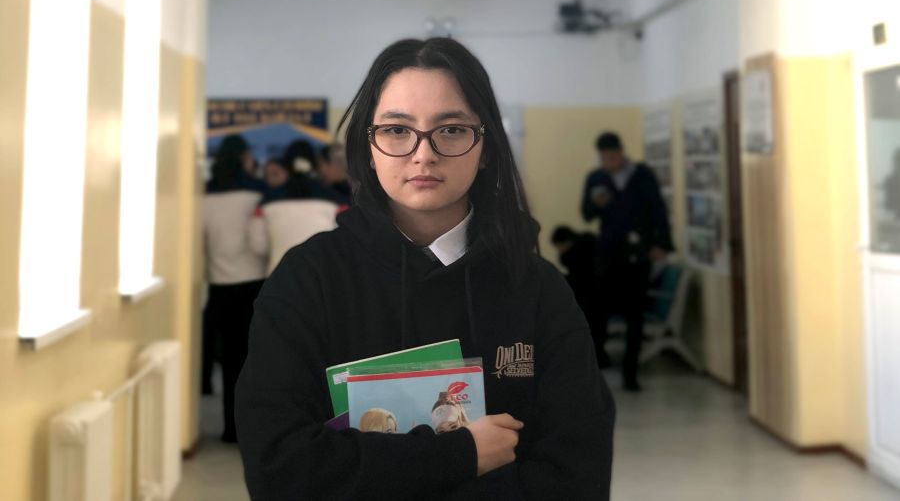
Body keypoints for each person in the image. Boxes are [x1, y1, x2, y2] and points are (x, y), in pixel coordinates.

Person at [235, 37, 615, 500]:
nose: (423, 154)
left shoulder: (537, 289)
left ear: (486, 147)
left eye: (451, 129)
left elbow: (577, 472)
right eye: (397, 129)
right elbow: (280, 469)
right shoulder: (308, 280)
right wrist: (460, 455)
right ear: (368, 146)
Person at [581, 132, 673, 391]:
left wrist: (661, 244)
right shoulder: (596, 178)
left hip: (638, 255)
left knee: (635, 315)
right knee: (598, 312)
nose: (608, 162)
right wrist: (596, 204)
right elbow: (586, 214)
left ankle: (631, 373)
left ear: (621, 153)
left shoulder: (642, 175)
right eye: (603, 158)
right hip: (607, 255)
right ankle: (597, 365)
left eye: (612, 157)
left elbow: (659, 210)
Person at [202, 134, 267, 442]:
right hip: (255, 285)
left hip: (219, 286)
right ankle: (252, 427)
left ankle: (230, 428)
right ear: (244, 158)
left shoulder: (204, 195)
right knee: (255, 361)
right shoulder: (256, 194)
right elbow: (261, 243)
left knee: (229, 360)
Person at [248, 140, 342, 274]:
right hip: (321, 278)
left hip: (280, 277)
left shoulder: (266, 202)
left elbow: (258, 246)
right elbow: (343, 244)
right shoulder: (335, 200)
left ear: (286, 166)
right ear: (315, 164)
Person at [550, 226, 603, 363]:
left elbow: (580, 278)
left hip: (593, 296)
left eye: (559, 247)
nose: (559, 251)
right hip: (599, 293)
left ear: (565, 242)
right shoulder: (589, 244)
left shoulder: (574, 255)